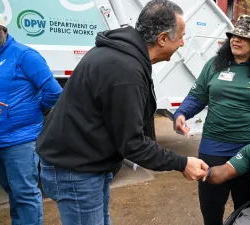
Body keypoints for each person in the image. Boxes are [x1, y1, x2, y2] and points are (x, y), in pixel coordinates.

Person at [36, 1, 208, 224]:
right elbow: (133, 144)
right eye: (181, 36)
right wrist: (183, 163)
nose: (183, 43)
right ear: (163, 38)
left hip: (85, 164)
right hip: (76, 170)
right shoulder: (125, 70)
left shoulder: (122, 55)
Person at [174, 15, 250, 225]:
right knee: (210, 206)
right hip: (213, 147)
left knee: (247, 207)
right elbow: (197, 95)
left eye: (243, 37)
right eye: (233, 35)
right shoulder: (214, 65)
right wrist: (181, 114)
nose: (236, 39)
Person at [0, 12, 62, 225]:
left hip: (20, 139)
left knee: (24, 193)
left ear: (4, 31)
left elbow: (53, 92)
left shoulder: (25, 55)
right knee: (11, 190)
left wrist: (37, 110)